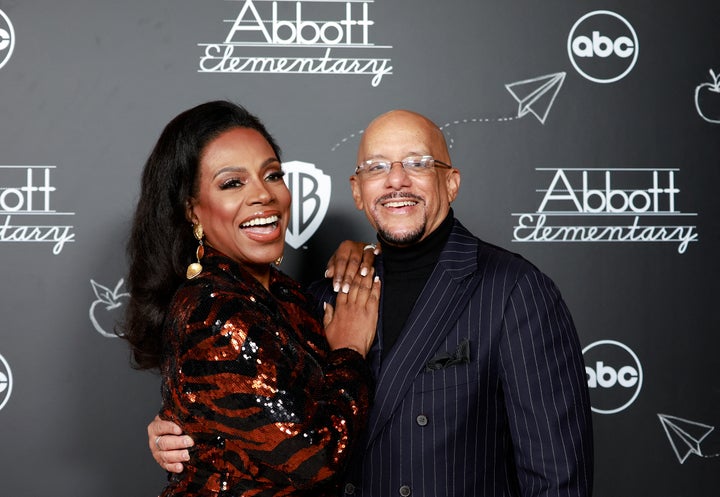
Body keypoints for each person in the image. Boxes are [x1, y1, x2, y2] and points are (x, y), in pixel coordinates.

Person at [149, 109, 594, 496]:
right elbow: (273, 418)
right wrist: (194, 433)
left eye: (418, 163)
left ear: (452, 182)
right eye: (377, 167)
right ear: (358, 190)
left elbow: (556, 477)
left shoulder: (513, 290)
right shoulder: (326, 293)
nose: (396, 180)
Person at [121, 100, 381, 497]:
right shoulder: (213, 310)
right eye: (232, 183)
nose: (264, 195)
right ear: (193, 211)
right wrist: (348, 351)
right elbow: (313, 460)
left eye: (272, 175)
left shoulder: (284, 293)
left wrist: (360, 253)